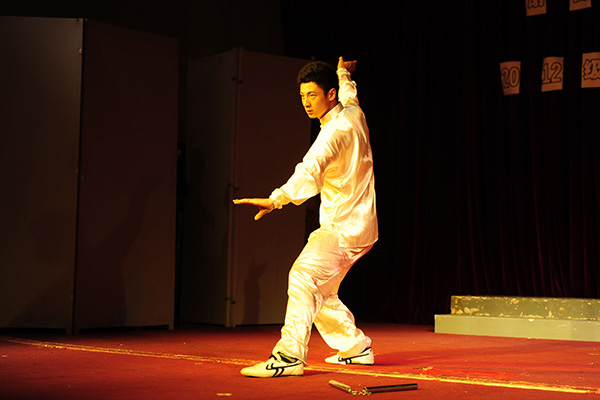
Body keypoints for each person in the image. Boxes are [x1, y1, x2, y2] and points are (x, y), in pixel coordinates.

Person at [233, 56, 378, 378]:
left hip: (344, 228)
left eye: (312, 95)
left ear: (329, 94)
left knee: (303, 276)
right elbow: (350, 93)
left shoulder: (333, 133)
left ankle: (289, 356)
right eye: (302, 96)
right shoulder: (354, 112)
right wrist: (342, 72)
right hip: (361, 226)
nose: (306, 102)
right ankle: (355, 347)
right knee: (320, 289)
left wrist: (275, 200)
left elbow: (309, 171)